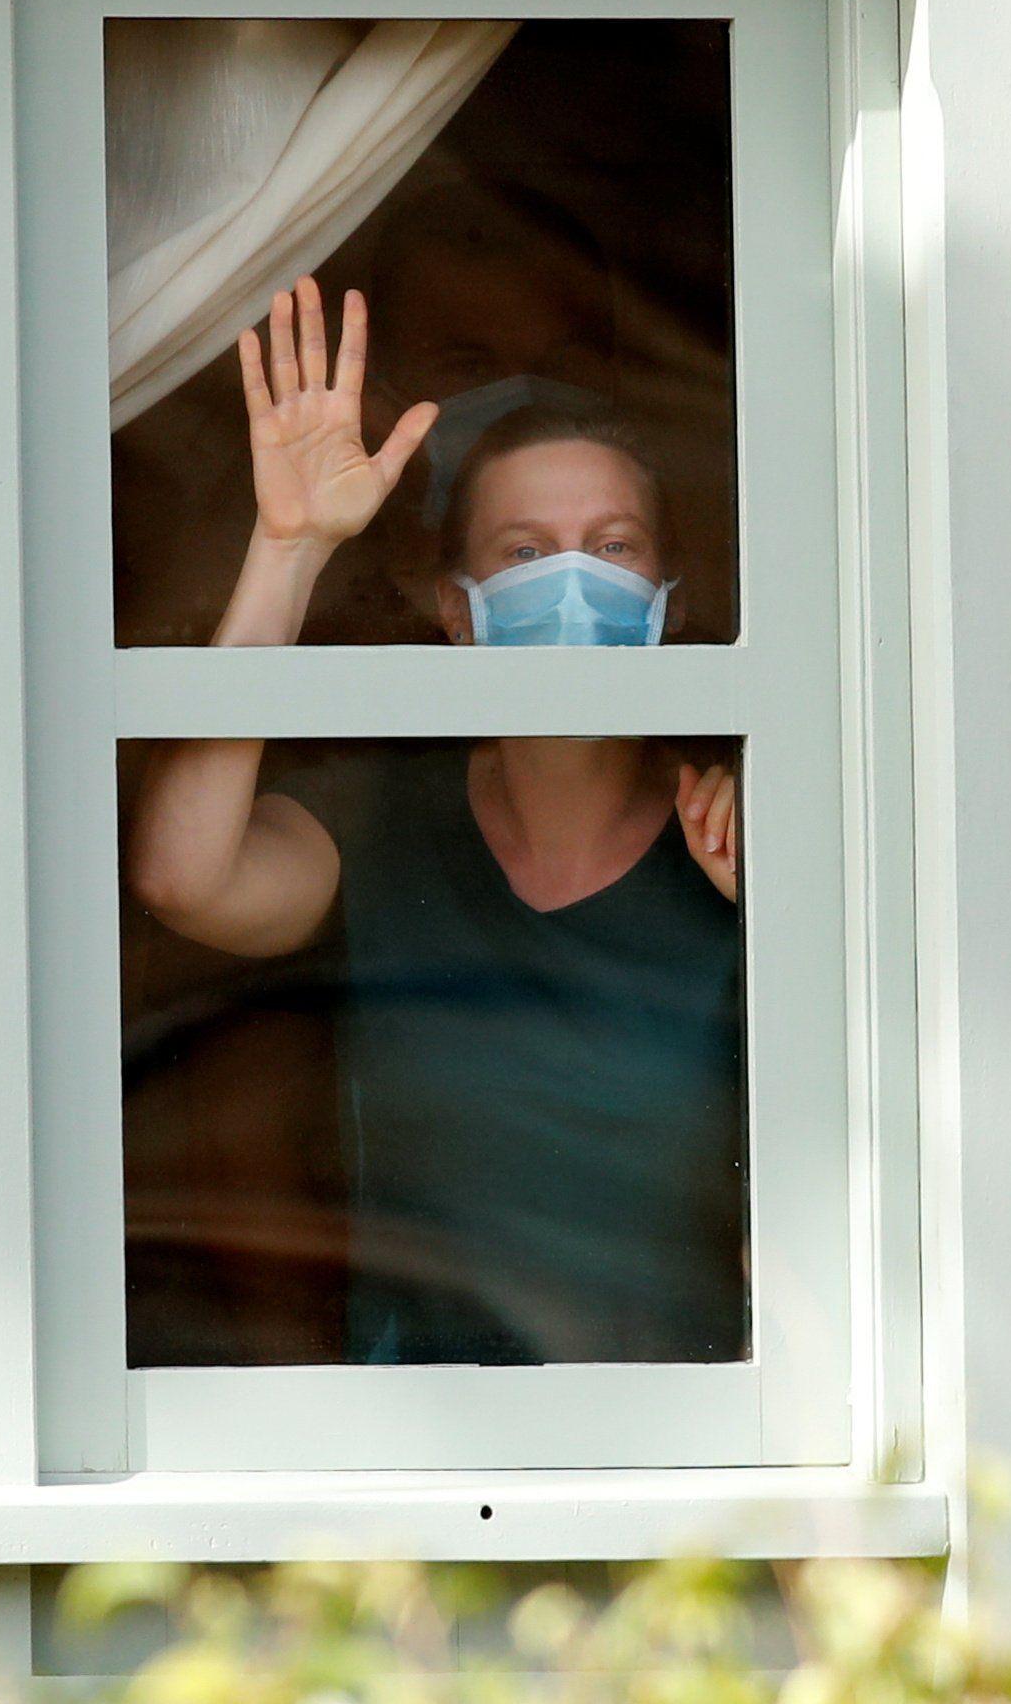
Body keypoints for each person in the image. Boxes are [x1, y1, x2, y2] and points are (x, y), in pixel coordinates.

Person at [124, 278, 749, 1364]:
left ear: (672, 598)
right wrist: (289, 551)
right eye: (520, 551)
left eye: (610, 545)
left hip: (688, 1450)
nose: (567, 578)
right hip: (425, 1447)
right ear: (454, 611)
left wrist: (779, 911)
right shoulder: (383, 819)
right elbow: (185, 875)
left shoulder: (742, 836)